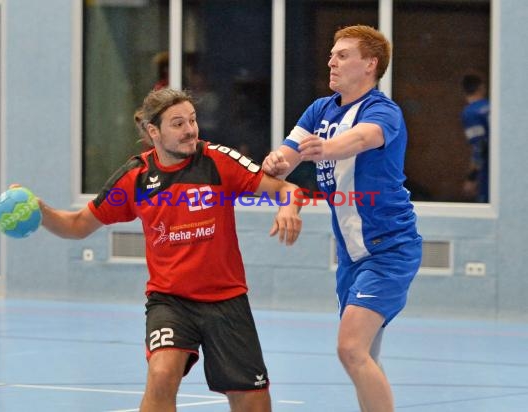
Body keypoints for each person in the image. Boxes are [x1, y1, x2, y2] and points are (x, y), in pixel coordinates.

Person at [37, 88, 302, 412]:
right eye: (178, 123)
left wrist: (288, 207)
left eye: (192, 120)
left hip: (226, 299)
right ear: (153, 131)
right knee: (161, 375)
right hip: (171, 301)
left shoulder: (218, 161)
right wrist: (41, 213)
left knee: (253, 403)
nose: (190, 129)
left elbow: (287, 188)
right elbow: (77, 225)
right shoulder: (135, 178)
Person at [262, 25, 422, 412]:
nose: (332, 61)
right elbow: (286, 157)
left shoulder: (383, 110)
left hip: (389, 250)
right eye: (332, 54)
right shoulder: (320, 109)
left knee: (350, 349)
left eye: (343, 55)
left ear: (370, 64)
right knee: (364, 356)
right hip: (352, 254)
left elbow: (363, 139)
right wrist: (276, 165)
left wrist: (325, 147)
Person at [461, 73, 490, 202]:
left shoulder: (471, 112)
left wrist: (472, 178)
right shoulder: (493, 106)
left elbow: (480, 145)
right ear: (482, 87)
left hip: (488, 169)